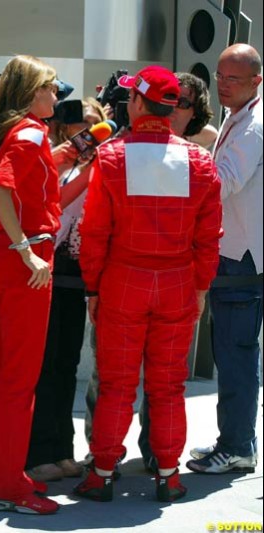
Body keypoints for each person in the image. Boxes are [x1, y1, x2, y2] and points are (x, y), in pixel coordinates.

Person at [73, 65, 222, 503]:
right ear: (174, 106)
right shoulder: (198, 160)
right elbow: (209, 235)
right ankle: (170, 476)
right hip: (177, 281)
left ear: (136, 103)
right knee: (169, 385)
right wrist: (200, 287)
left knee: (118, 384)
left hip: (122, 281)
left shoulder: (112, 156)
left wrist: (93, 289)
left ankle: (101, 473)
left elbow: (94, 231)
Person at [0, 55, 61, 515]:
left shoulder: (18, 130)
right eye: (49, 88)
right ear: (31, 93)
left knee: (4, 371)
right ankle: (7, 487)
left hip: (13, 256)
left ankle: (1, 475)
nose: (55, 95)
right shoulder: (30, 132)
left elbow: (16, 191)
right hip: (26, 261)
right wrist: (27, 248)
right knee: (18, 378)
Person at [187, 43, 262, 475]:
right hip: (235, 254)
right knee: (233, 354)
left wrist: (180, 168)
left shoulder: (253, 125)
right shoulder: (242, 115)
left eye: (232, 78)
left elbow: (225, 182)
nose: (222, 84)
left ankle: (236, 446)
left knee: (234, 355)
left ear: (257, 80)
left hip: (240, 258)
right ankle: (235, 442)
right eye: (219, 75)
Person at [25, 98, 106, 483]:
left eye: (92, 124)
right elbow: (52, 207)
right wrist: (83, 168)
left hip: (79, 275)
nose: (84, 132)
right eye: (77, 123)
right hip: (45, 269)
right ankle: (39, 451)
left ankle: (62, 449)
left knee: (68, 363)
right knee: (44, 363)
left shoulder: (104, 167)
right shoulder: (52, 159)